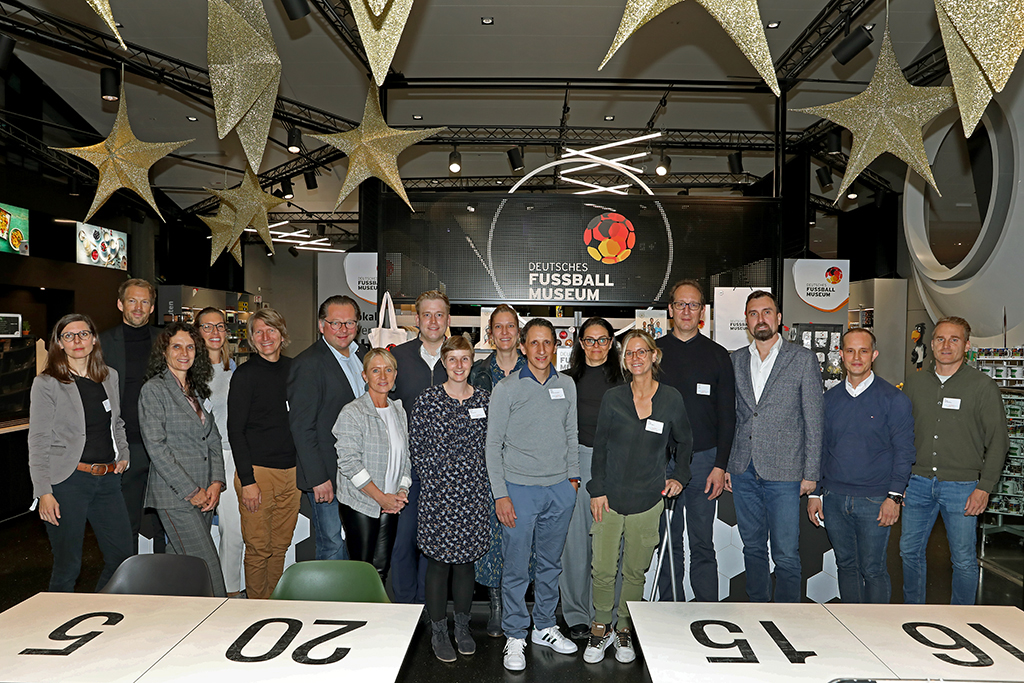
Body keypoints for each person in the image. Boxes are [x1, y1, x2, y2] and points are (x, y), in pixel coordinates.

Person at [584, 329, 691, 664]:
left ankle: (624, 629)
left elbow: (685, 441)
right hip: (609, 499)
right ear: (624, 360)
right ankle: (601, 626)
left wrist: (679, 477)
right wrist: (597, 490)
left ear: (654, 355)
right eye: (629, 353)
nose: (636, 358)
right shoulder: (613, 398)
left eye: (642, 351)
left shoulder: (671, 398)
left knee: (634, 572)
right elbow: (600, 447)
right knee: (603, 569)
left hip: (648, 500)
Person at [485, 318, 580, 672]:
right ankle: (514, 633)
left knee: (550, 565)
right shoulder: (506, 388)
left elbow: (571, 434)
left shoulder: (566, 385)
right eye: (534, 343)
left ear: (556, 347)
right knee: (515, 568)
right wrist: (501, 495)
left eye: (547, 343)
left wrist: (572, 481)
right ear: (523, 347)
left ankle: (544, 626)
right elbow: (493, 446)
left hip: (559, 490)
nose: (541, 350)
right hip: (519, 491)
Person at [900, 316, 1009, 605]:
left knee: (962, 559)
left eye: (954, 339)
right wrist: (899, 481)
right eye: (940, 339)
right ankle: (913, 611)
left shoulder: (982, 386)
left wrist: (984, 487)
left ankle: (962, 618)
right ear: (932, 343)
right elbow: (901, 435)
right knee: (909, 552)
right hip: (917, 483)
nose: (946, 345)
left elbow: (998, 441)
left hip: (962, 487)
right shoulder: (915, 383)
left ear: (967, 346)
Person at [727, 290, 823, 603]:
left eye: (767, 312)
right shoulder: (736, 360)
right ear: (746, 321)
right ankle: (757, 611)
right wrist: (728, 465)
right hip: (743, 470)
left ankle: (787, 618)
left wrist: (811, 474)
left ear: (779, 318)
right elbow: (733, 418)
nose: (761, 319)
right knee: (753, 548)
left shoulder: (802, 359)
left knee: (785, 554)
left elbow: (814, 420)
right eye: (753, 313)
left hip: (786, 473)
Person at [807, 328, 915, 603]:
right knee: (846, 565)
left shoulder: (894, 400)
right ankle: (851, 623)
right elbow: (820, 449)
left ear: (874, 355)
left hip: (875, 500)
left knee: (873, 568)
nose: (857, 357)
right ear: (841, 355)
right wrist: (815, 493)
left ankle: (876, 626)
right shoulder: (828, 400)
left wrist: (894, 497)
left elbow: (904, 452)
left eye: (863, 351)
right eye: (850, 351)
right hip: (834, 498)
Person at [28, 314, 132, 592]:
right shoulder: (47, 383)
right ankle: (58, 618)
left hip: (108, 480)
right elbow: (38, 440)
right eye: (69, 336)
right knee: (68, 566)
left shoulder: (109, 376)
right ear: (59, 343)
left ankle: (99, 610)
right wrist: (43, 492)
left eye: (83, 334)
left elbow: (117, 422)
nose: (77, 340)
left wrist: (123, 452)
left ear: (94, 339)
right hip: (68, 482)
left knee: (122, 558)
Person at [410, 336, 491, 662]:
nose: (459, 365)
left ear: (472, 361)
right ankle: (439, 631)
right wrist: (438, 482)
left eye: (465, 359)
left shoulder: (484, 401)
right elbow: (418, 448)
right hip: (438, 497)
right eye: (453, 359)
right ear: (443, 362)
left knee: (466, 564)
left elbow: (493, 446)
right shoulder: (428, 400)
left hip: (473, 496)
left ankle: (462, 627)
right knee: (439, 564)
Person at [656, 279, 735, 602]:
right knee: (668, 542)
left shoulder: (718, 356)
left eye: (693, 305)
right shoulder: (653, 354)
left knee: (702, 542)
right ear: (670, 309)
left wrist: (720, 465)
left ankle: (707, 610)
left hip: (704, 462)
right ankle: (668, 610)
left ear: (703, 311)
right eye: (680, 304)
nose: (686, 310)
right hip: (662, 462)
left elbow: (728, 416)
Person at [139, 323, 227, 597]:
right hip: (176, 496)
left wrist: (216, 482)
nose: (184, 353)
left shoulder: (196, 390)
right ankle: (225, 613)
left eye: (190, 347)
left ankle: (173, 614)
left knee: (180, 563)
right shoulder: (154, 390)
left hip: (206, 492)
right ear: (164, 351)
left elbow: (212, 438)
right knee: (207, 566)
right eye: (176, 346)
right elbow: (156, 448)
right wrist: (191, 491)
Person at [227, 308, 299, 600]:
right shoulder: (245, 375)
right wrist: (248, 481)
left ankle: (274, 606)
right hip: (258, 474)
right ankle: (256, 609)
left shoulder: (296, 369)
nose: (265, 337)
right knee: (258, 549)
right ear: (252, 339)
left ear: (282, 334)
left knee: (280, 546)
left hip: (292, 474)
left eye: (271, 330)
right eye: (259, 331)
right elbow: (235, 431)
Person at [560, 317, 623, 640]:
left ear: (611, 343)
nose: (596, 346)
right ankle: (577, 616)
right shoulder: (565, 381)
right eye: (589, 340)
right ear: (580, 343)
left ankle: (608, 615)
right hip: (577, 464)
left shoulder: (625, 380)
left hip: (616, 466)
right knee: (574, 546)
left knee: (612, 545)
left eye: (602, 340)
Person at [289, 295, 366, 563]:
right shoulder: (308, 364)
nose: (343, 329)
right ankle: (331, 592)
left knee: (358, 544)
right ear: (322, 325)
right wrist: (318, 478)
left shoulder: (362, 358)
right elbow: (302, 427)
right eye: (336, 323)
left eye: (350, 323)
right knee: (332, 543)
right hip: (327, 476)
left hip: (360, 473)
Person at [469, 304, 528, 637]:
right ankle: (497, 607)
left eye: (510, 326)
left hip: (525, 466)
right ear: (490, 334)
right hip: (486, 467)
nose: (505, 332)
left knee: (521, 537)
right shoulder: (477, 372)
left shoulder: (533, 369)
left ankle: (516, 603)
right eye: (498, 327)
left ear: (518, 332)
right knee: (491, 538)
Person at [389, 290, 449, 604]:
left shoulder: (458, 358)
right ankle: (403, 607)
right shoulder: (398, 358)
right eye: (427, 314)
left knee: (435, 542)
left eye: (439, 314)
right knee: (403, 540)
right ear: (417, 319)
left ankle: (428, 608)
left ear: (448, 319)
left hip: (445, 470)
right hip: (406, 468)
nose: (433, 321)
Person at [333, 349, 412, 586]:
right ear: (365, 375)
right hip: (362, 503)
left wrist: (402, 491)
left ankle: (375, 611)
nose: (383, 376)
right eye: (375, 370)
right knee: (362, 572)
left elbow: (405, 457)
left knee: (380, 572)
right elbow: (349, 462)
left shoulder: (398, 410)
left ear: (395, 374)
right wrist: (381, 498)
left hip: (391, 503)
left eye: (388, 370)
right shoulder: (353, 412)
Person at [99, 278, 162, 554]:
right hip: (126, 447)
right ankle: (128, 577)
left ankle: (165, 577)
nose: (138, 307)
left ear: (152, 307)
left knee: (166, 523)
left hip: (162, 445)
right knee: (126, 525)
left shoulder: (166, 341)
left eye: (144, 301)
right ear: (120, 304)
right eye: (132, 301)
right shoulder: (102, 343)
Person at [194, 307, 243, 596]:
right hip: (198, 458)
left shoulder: (234, 369)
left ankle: (230, 592)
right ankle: (199, 591)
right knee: (197, 532)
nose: (215, 332)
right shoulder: (188, 372)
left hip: (230, 456)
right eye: (207, 327)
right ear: (197, 331)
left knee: (233, 530)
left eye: (220, 326)